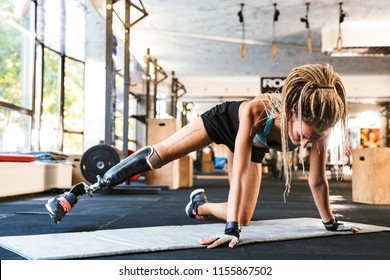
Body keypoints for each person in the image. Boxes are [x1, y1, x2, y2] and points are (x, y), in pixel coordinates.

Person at [46, 63, 361, 249]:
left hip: (254, 146)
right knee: (162, 154)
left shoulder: (318, 128)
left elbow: (318, 181)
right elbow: (237, 171)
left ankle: (199, 205)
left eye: (314, 138)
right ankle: (80, 192)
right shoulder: (258, 110)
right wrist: (230, 231)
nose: (306, 144)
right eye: (302, 137)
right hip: (225, 122)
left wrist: (331, 224)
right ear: (292, 113)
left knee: (246, 217)